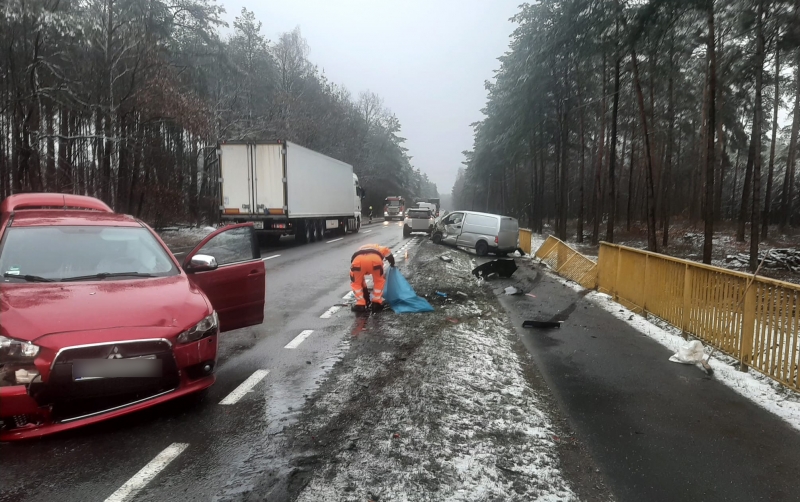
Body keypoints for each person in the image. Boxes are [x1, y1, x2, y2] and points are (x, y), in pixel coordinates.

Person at [350, 243, 395, 312]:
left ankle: (360, 305)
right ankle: (376, 303)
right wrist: (392, 263)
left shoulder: (360, 248)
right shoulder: (378, 247)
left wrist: (365, 294)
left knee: (356, 283)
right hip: (375, 261)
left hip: (357, 261)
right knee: (379, 281)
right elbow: (387, 252)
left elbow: (361, 281)